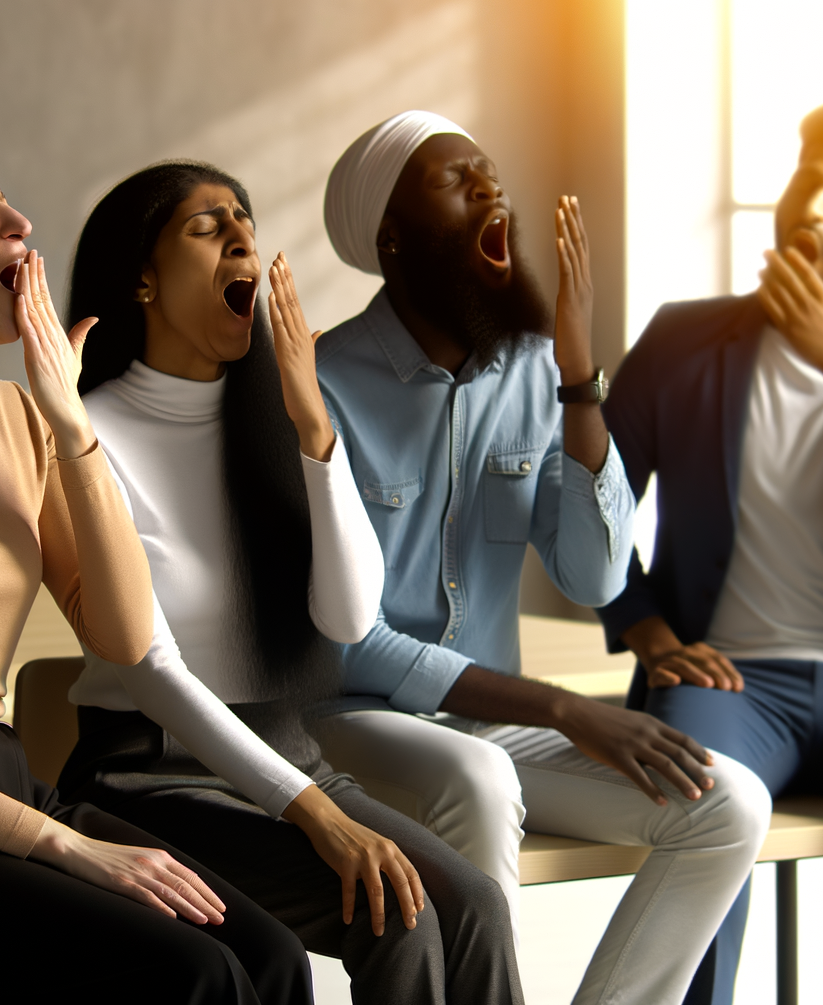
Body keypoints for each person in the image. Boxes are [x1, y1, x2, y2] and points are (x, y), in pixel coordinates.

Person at [313, 110, 773, 1005]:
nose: (488, 185)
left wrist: (577, 378)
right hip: (350, 724)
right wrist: (563, 707)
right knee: (480, 777)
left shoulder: (536, 371)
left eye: (488, 171)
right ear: (392, 237)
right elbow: (346, 643)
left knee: (729, 806)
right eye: (454, 179)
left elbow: (592, 576)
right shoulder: (322, 382)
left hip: (486, 728)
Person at [0, 130, 316, 1005]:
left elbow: (125, 634)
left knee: (270, 956)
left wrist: (70, 426)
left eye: (6, 199)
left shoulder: (18, 418)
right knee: (192, 975)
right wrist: (64, 844)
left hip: (6, 779)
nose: (18, 222)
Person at [56, 159, 523, 1005]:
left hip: (289, 752)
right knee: (397, 914)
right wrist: (315, 813)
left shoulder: (277, 417)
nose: (242, 237)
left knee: (477, 906)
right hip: (154, 774)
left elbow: (348, 618)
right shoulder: (89, 435)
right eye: (207, 228)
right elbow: (151, 667)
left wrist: (313, 430)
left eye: (245, 221)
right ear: (143, 280)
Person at [597, 101, 823, 1005]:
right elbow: (584, 508)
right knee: (703, 804)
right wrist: (647, 631)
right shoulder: (682, 339)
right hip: (731, 685)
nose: (815, 208)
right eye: (807, 183)